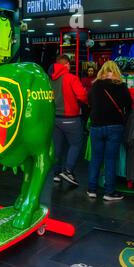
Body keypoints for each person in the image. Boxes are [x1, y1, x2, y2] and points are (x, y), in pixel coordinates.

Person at [87, 61, 132, 201]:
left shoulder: (95, 86)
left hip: (96, 126)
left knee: (95, 159)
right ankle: (109, 192)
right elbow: (128, 106)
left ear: (102, 71)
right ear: (116, 71)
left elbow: (89, 103)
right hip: (114, 127)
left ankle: (92, 190)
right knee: (110, 160)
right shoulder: (122, 86)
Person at [49, 54, 89, 186]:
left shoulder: (48, 79)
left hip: (54, 118)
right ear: (66, 64)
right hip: (71, 119)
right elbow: (82, 96)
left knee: (57, 147)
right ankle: (68, 171)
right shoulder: (71, 78)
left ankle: (56, 174)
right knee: (76, 144)